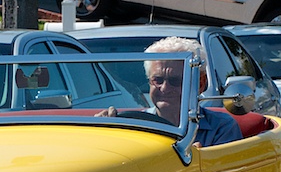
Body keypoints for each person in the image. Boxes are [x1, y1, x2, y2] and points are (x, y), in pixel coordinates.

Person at [100, 37, 242, 147]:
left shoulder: (221, 128)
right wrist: (103, 133)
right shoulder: (133, 126)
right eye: (158, 80)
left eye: (175, 81)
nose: (164, 88)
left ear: (200, 83)